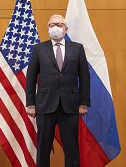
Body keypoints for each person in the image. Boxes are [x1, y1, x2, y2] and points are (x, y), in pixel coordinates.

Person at [26, 15, 90, 167]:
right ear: (48, 28)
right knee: (43, 149)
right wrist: (31, 104)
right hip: (45, 105)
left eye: (59, 24)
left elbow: (85, 77)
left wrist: (83, 103)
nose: (56, 27)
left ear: (65, 28)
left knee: (72, 149)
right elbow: (31, 78)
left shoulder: (77, 48)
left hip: (70, 105)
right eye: (52, 24)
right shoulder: (39, 49)